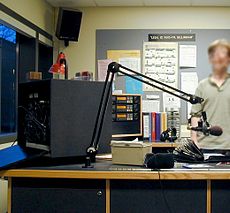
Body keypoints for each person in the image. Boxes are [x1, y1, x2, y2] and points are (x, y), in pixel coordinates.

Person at [190, 39, 230, 151]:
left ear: (228, 59)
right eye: (215, 56)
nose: (219, 59)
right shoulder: (202, 86)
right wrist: (194, 140)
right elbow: (195, 115)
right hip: (205, 146)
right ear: (211, 59)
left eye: (223, 55)